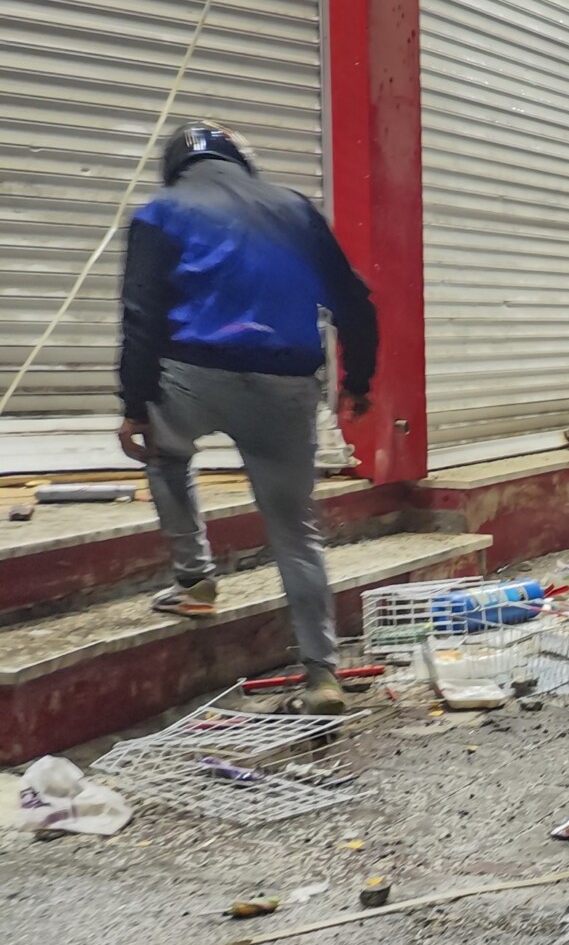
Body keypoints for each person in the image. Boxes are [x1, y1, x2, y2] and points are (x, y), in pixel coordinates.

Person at [118, 121, 378, 714]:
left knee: (166, 454)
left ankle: (195, 580)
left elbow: (140, 315)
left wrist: (135, 407)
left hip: (191, 377)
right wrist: (358, 382)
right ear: (240, 160)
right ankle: (322, 675)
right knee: (295, 533)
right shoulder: (293, 209)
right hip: (283, 388)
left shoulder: (160, 212)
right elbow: (353, 301)